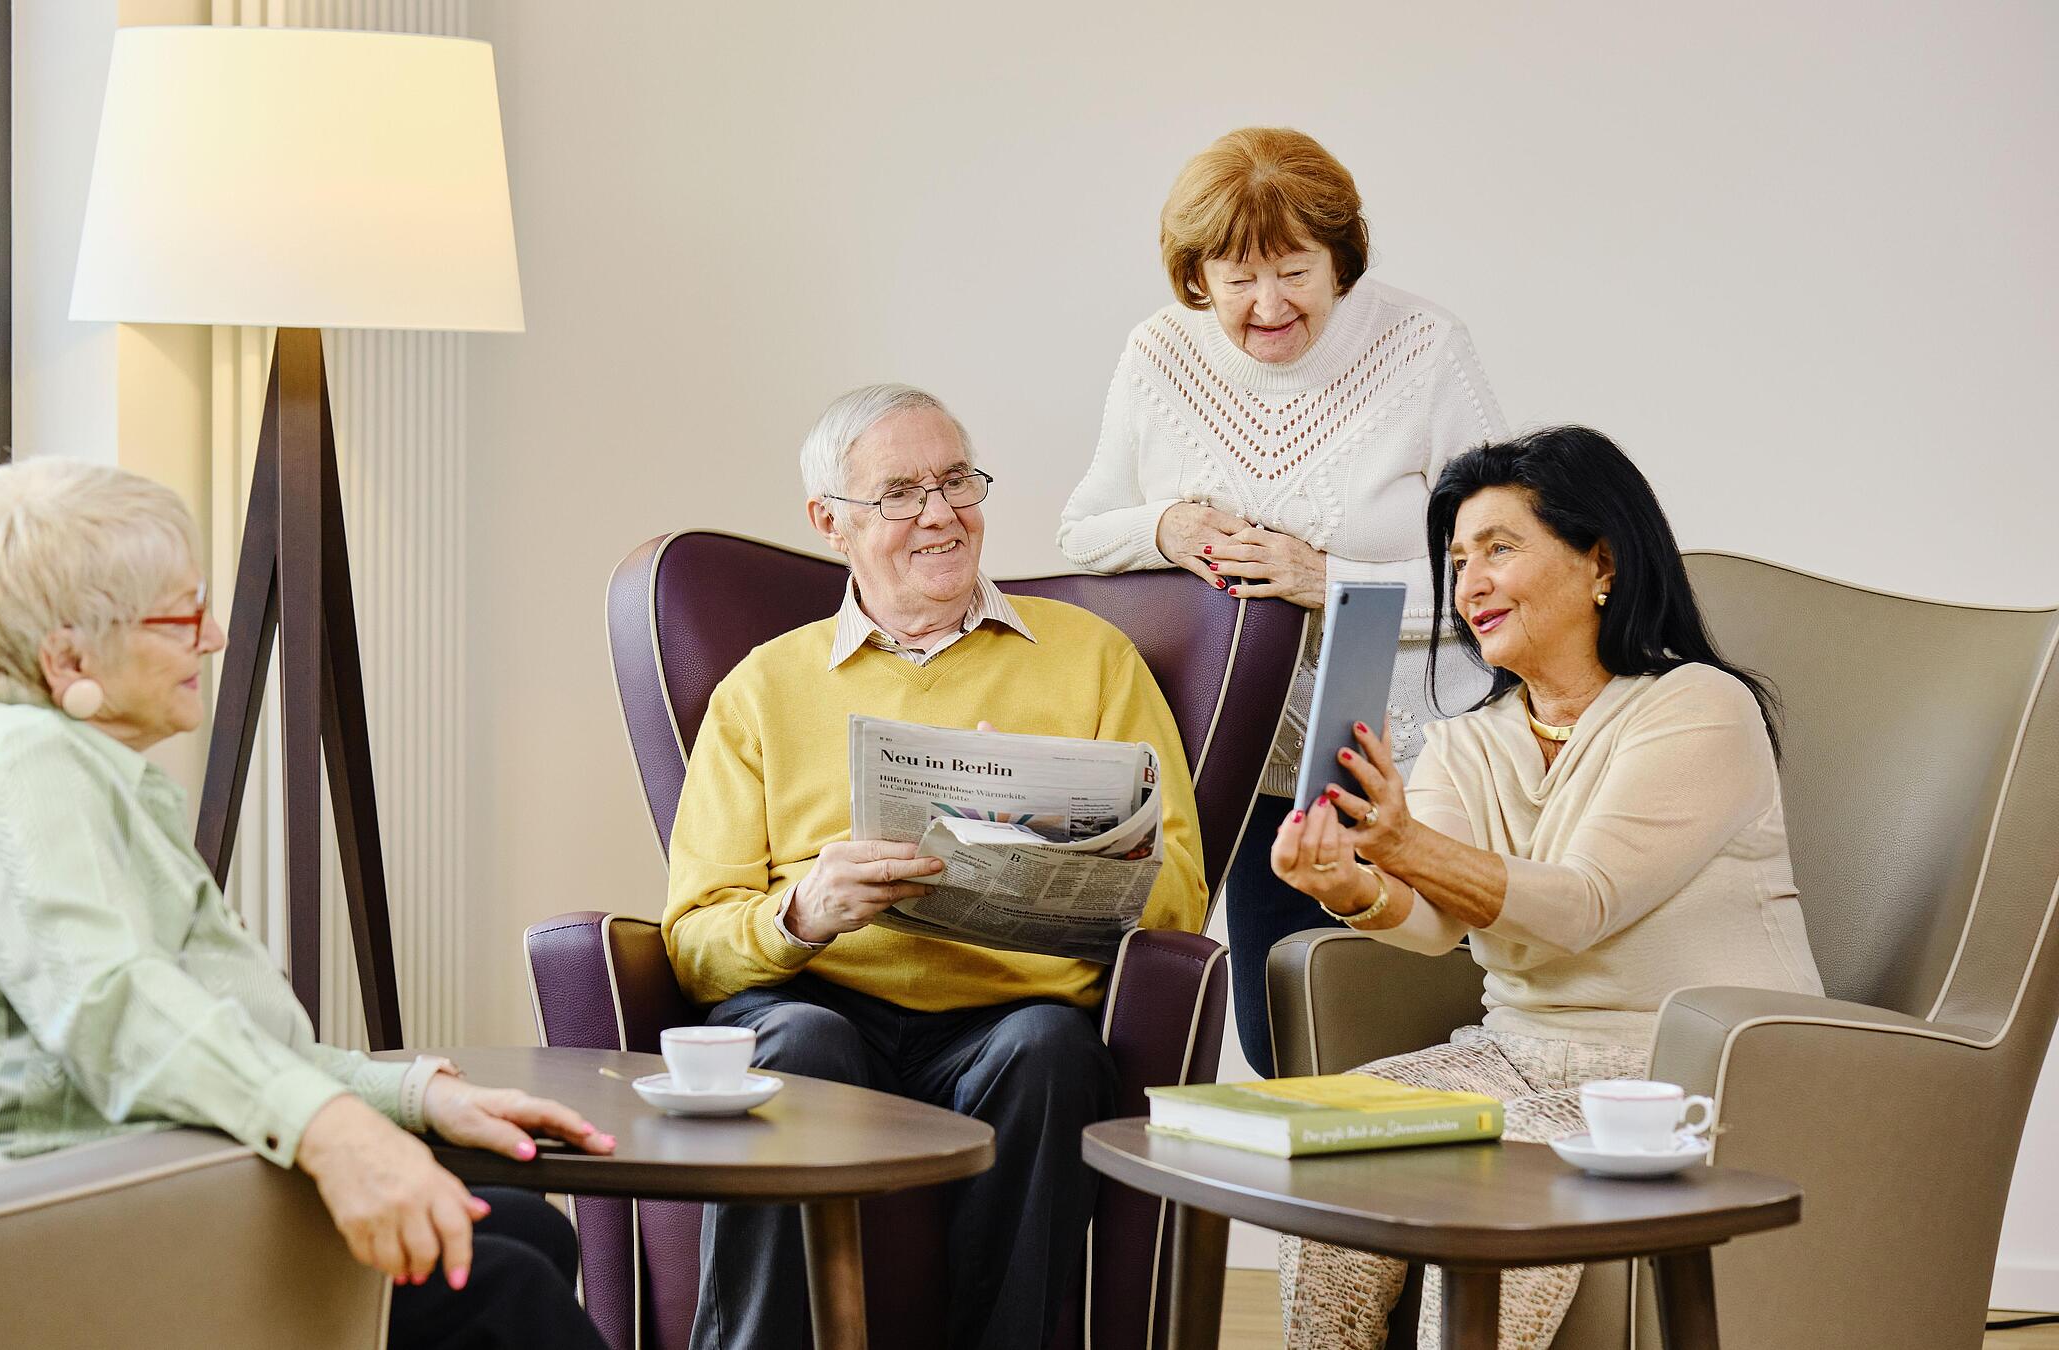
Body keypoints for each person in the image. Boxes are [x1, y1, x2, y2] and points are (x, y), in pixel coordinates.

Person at [0, 459, 612, 1350]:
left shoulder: (77, 771)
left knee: (524, 1227)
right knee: (497, 1289)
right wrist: (336, 1134)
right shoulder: (16, 772)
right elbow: (116, 1007)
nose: (214, 637)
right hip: (8, 1231)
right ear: (68, 658)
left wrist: (411, 1098)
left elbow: (224, 1038)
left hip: (102, 1189)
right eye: (182, 617)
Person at [665, 384, 1208, 1350]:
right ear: (830, 523)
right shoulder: (762, 687)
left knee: (1048, 1050)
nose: (941, 514)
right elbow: (696, 944)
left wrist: (1055, 849)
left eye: (958, 481)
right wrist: (804, 912)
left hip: (1010, 1017)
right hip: (822, 1004)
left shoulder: (1092, 659)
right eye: (902, 492)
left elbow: (1180, 896)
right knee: (794, 1047)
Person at [1266, 426, 1825, 1349]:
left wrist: (1400, 841)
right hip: (1516, 1054)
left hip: (1683, 1075)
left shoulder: (1697, 709)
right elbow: (1437, 922)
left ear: (1600, 561)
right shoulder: (1469, 739)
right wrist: (1350, 885)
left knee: (1489, 1163)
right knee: (1332, 1142)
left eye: (1500, 549)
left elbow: (1578, 905)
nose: (1469, 583)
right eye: (1455, 560)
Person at [1057, 126, 1509, 1074]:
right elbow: (1082, 533)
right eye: (1237, 279)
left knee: (1427, 1051)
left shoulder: (1423, 349)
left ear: (1340, 260)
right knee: (1284, 1052)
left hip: (1418, 774)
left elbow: (1502, 574)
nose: (1270, 306)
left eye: (1296, 272)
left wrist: (1326, 580)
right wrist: (1169, 525)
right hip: (1260, 771)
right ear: (1195, 277)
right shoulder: (1159, 355)